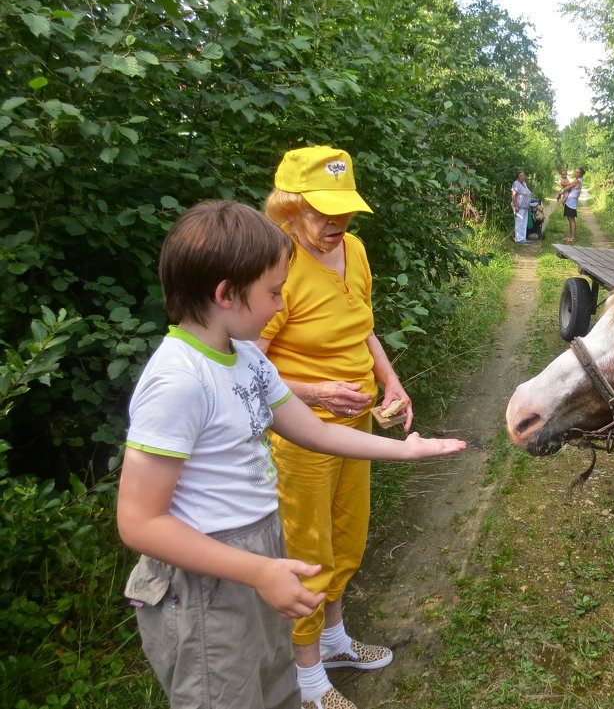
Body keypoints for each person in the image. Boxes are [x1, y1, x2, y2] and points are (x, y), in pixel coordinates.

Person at [117, 199, 465, 709]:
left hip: (262, 551)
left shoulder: (248, 358)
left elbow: (316, 432)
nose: (283, 305)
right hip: (203, 585)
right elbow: (139, 522)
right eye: (275, 292)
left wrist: (403, 452)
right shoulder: (179, 381)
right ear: (227, 295)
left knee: (276, 689)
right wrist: (258, 571)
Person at [257, 146, 414, 709]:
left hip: (356, 428)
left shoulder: (354, 248)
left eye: (344, 209)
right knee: (310, 551)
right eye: (324, 212)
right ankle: (308, 681)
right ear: (288, 207)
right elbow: (247, 361)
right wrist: (316, 391)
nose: (337, 222)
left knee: (347, 539)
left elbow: (363, 329)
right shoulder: (274, 265)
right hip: (301, 435)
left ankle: (335, 641)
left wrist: (390, 381)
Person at [559, 167, 584, 242]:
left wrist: (559, 194)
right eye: (575, 172)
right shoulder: (576, 180)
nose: (575, 173)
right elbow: (568, 186)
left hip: (571, 202)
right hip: (569, 201)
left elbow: (567, 188)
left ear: (581, 174)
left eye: (577, 173)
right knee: (569, 219)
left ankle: (572, 237)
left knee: (572, 219)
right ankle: (570, 236)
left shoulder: (577, 181)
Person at [511, 170, 532, 243]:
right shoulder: (516, 183)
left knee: (524, 222)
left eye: (523, 175)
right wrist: (516, 206)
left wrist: (528, 205)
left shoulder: (524, 183)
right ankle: (518, 238)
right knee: (519, 222)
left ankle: (523, 238)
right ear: (518, 177)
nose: (522, 177)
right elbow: (514, 195)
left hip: (525, 207)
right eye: (520, 176)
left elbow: (527, 194)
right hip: (519, 207)